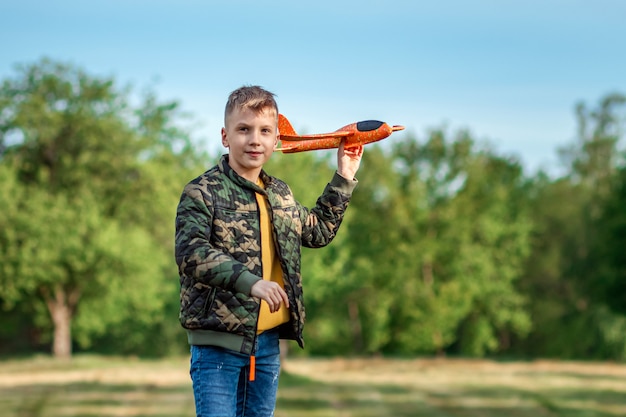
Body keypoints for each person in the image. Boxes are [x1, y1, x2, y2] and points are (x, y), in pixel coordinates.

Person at [175, 85, 363, 417]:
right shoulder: (202, 192)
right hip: (217, 344)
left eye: (264, 131)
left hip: (266, 347)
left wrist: (344, 176)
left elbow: (317, 231)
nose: (254, 140)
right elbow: (192, 253)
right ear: (225, 136)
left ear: (277, 140)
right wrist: (251, 282)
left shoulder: (280, 194)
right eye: (243, 129)